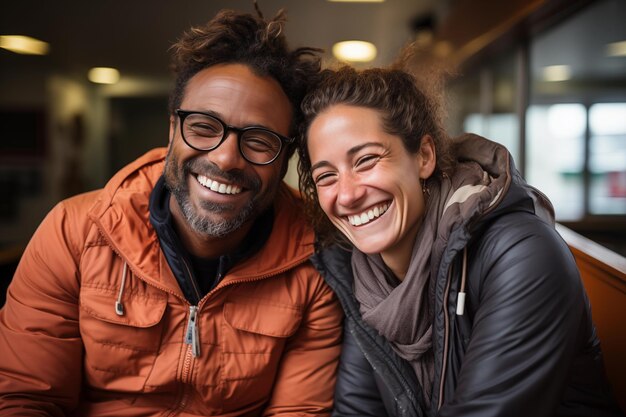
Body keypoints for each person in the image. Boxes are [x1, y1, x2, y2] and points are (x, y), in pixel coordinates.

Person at [0, 7, 343, 416]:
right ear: (172, 131)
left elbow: (297, 413)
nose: (226, 158)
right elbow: (27, 399)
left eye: (259, 140)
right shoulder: (73, 232)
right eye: (203, 126)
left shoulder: (316, 257)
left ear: (285, 156)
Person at [297, 65, 624, 417]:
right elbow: (357, 411)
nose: (346, 195)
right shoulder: (361, 277)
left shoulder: (522, 253)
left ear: (423, 156)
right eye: (326, 176)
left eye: (366, 160)